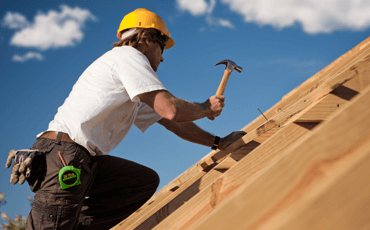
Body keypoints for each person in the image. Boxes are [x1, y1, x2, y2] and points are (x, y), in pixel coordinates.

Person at [6, 8, 246, 229]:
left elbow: (171, 122)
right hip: (64, 156)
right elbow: (170, 109)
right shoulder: (129, 57)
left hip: (81, 159)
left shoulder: (130, 86)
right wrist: (205, 108)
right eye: (162, 48)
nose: (162, 59)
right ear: (148, 38)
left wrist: (218, 142)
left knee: (140, 182)